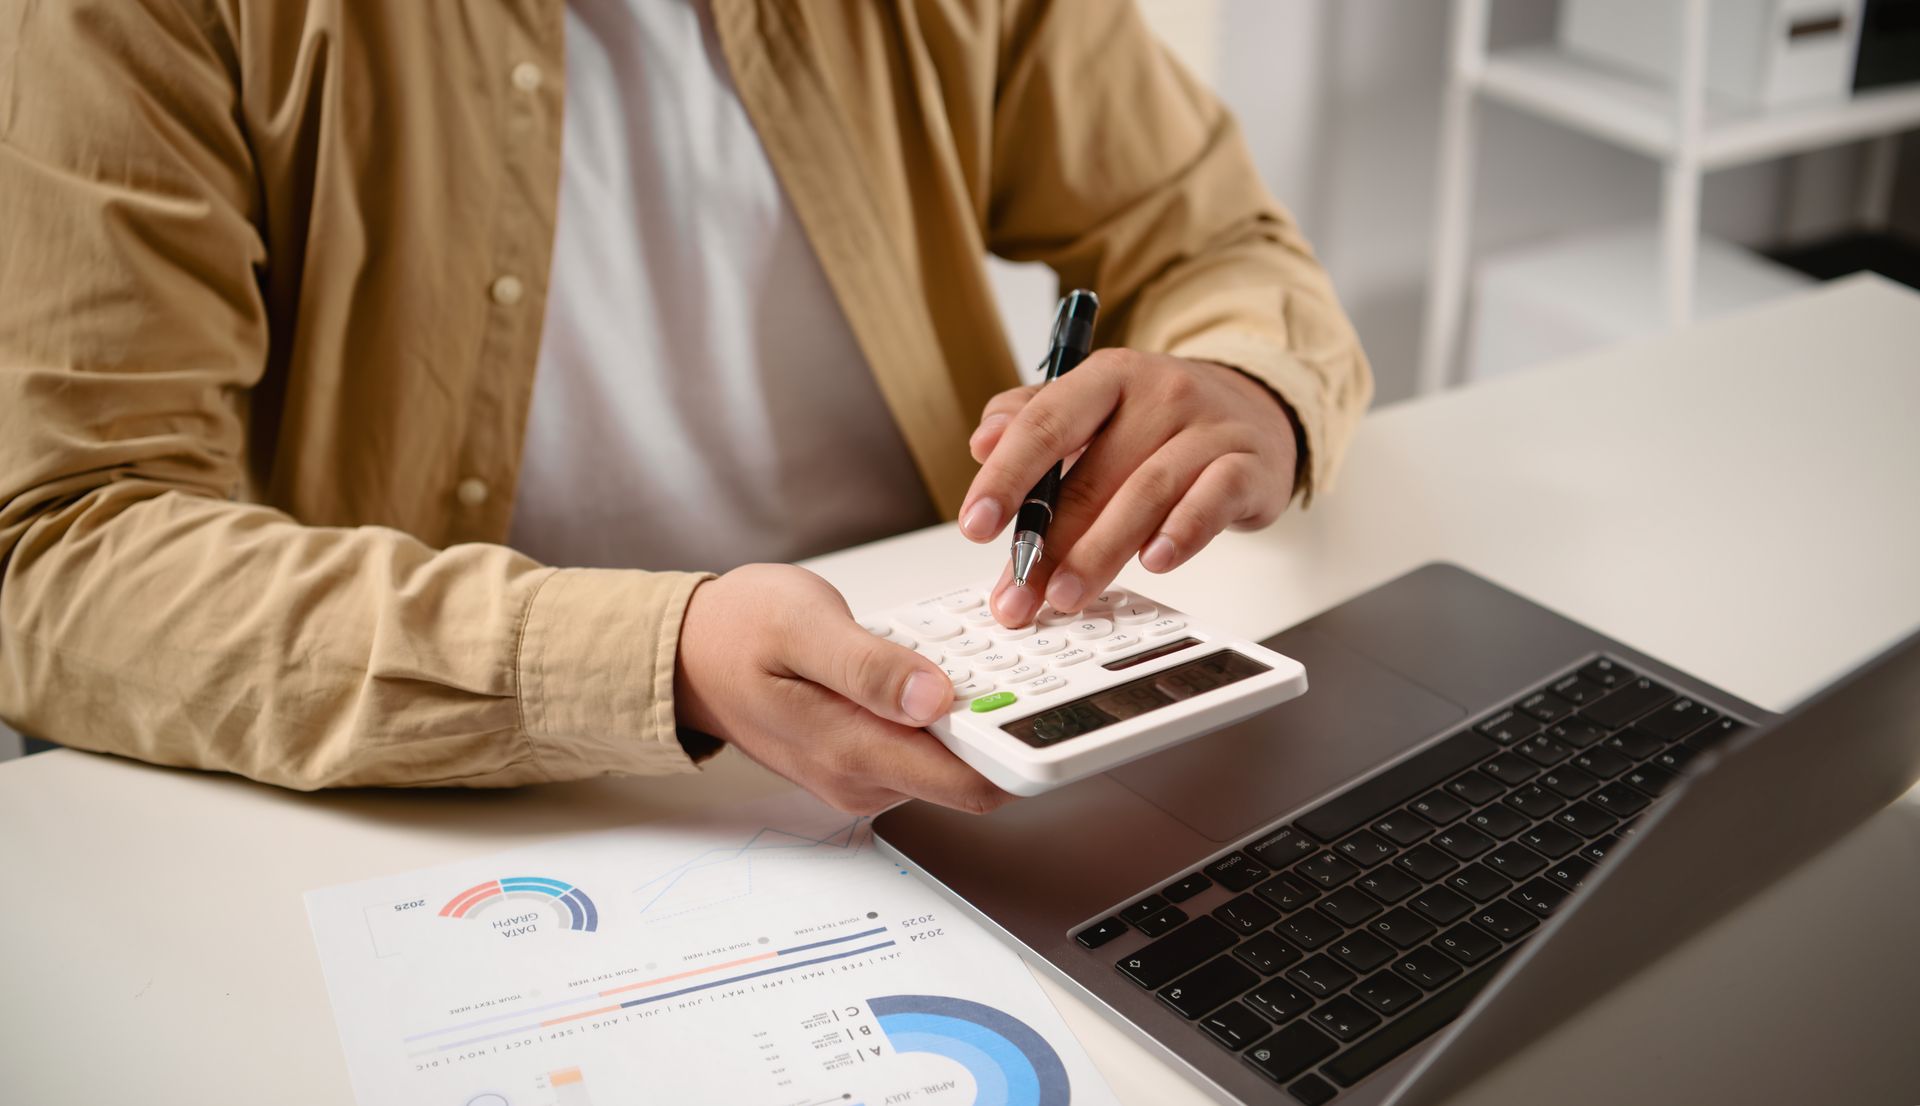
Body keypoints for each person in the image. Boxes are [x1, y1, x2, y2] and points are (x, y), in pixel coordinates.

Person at [0, 0, 1371, 815]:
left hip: (932, 732)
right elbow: (62, 551)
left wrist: (1249, 382)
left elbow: (1218, 242)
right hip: (455, 794)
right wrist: (657, 655)